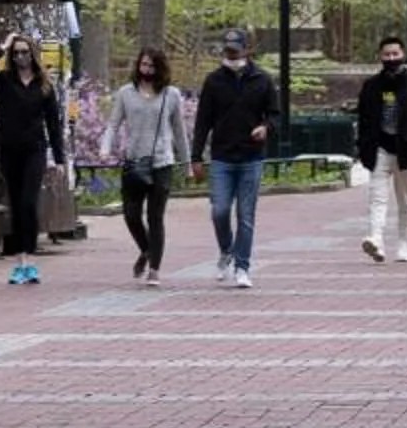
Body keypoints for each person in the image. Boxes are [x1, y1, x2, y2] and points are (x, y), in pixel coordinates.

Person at [191, 29, 282, 288]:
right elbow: (202, 122)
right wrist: (196, 156)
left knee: (245, 214)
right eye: (227, 49)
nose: (231, 53)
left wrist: (266, 128)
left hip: (251, 156)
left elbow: (275, 114)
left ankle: (242, 266)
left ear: (246, 49)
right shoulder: (214, 81)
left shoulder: (262, 80)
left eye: (235, 49)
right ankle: (226, 249)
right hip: (222, 156)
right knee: (219, 211)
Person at [100, 47, 190, 285]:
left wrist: (187, 163)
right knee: (131, 214)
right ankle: (146, 249)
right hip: (134, 161)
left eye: (151, 66)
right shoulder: (126, 93)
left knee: (155, 216)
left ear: (160, 68)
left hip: (162, 163)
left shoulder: (171, 95)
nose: (146, 70)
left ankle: (154, 270)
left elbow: (179, 133)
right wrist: (105, 148)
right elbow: (113, 124)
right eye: (143, 65)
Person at [0, 34, 68, 281]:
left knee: (29, 203)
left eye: (24, 52)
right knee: (16, 205)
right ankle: (20, 261)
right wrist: (4, 45)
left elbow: (53, 123)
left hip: (34, 149)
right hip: (10, 149)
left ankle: (30, 257)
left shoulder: (44, 85)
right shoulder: (5, 80)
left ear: (33, 54)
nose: (20, 57)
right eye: (16, 53)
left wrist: (59, 159)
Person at [355, 34, 407, 264]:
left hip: (405, 150)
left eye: (395, 54)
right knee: (377, 197)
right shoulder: (371, 86)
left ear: (403, 55)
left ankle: (403, 243)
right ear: (380, 57)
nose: (391, 58)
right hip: (379, 148)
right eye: (386, 54)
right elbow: (362, 118)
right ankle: (376, 239)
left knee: (405, 201)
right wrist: (362, 147)